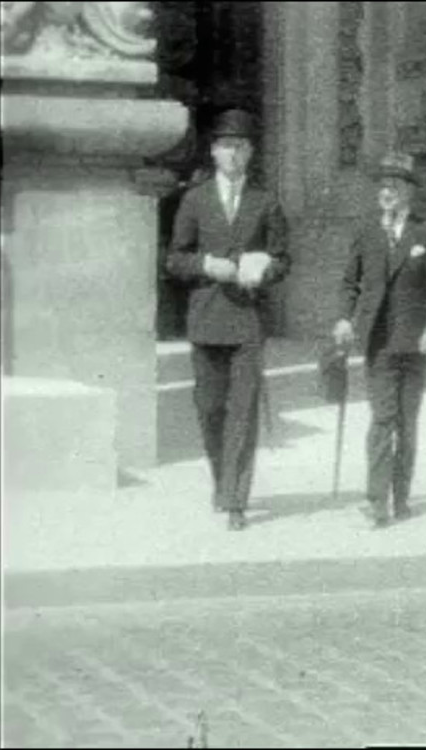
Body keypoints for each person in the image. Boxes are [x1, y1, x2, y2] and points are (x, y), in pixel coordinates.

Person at [165, 108, 290, 531]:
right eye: (225, 146)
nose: (232, 154)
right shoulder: (195, 199)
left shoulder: (265, 201)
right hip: (206, 319)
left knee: (243, 410)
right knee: (210, 408)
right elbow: (174, 259)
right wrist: (206, 265)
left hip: (247, 321)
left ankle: (236, 499)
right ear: (213, 152)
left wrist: (263, 268)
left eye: (240, 146)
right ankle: (222, 481)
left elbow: (284, 259)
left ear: (250, 152)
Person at [333, 152, 426, 528]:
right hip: (379, 341)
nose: (387, 192)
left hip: (415, 342)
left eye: (395, 186)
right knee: (383, 418)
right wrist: (344, 318)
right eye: (383, 186)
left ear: (409, 192)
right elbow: (349, 282)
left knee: (407, 422)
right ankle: (377, 500)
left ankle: (401, 497)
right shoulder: (366, 231)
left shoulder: (425, 232)